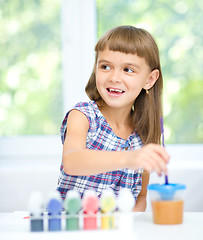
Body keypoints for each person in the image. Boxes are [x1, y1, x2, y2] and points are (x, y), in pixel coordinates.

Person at [57, 25, 170, 211]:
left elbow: (141, 197)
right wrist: (129, 158)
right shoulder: (83, 116)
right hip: (73, 228)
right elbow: (72, 162)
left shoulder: (144, 135)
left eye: (128, 70)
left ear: (149, 79)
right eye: (105, 66)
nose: (114, 77)